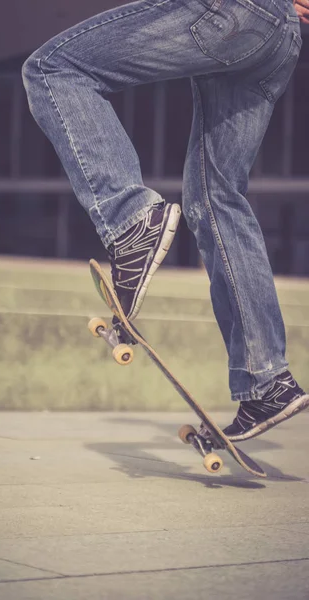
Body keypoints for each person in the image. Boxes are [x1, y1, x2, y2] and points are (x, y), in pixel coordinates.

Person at [22, 0, 309, 441]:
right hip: (281, 34)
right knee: (216, 199)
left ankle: (129, 219)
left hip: (232, 14)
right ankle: (267, 379)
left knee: (52, 69)